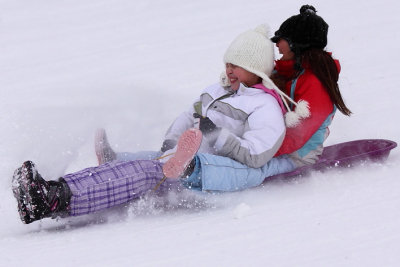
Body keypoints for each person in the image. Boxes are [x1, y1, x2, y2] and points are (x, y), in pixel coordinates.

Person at [12, 24, 299, 224]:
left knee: (148, 173)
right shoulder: (216, 90)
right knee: (142, 164)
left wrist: (216, 134)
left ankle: (54, 201)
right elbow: (190, 115)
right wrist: (171, 142)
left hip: (218, 168)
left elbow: (256, 156)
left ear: (257, 70)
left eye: (237, 65)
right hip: (189, 156)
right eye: (228, 62)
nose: (229, 70)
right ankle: (53, 189)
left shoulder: (265, 106)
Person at [98, 5, 351, 193]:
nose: (277, 44)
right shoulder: (286, 70)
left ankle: (191, 171)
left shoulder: (316, 84)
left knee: (251, 171)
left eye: (281, 39)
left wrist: (246, 148)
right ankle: (118, 160)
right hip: (259, 139)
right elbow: (254, 74)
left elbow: (295, 136)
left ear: (297, 44)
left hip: (290, 155)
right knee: (175, 153)